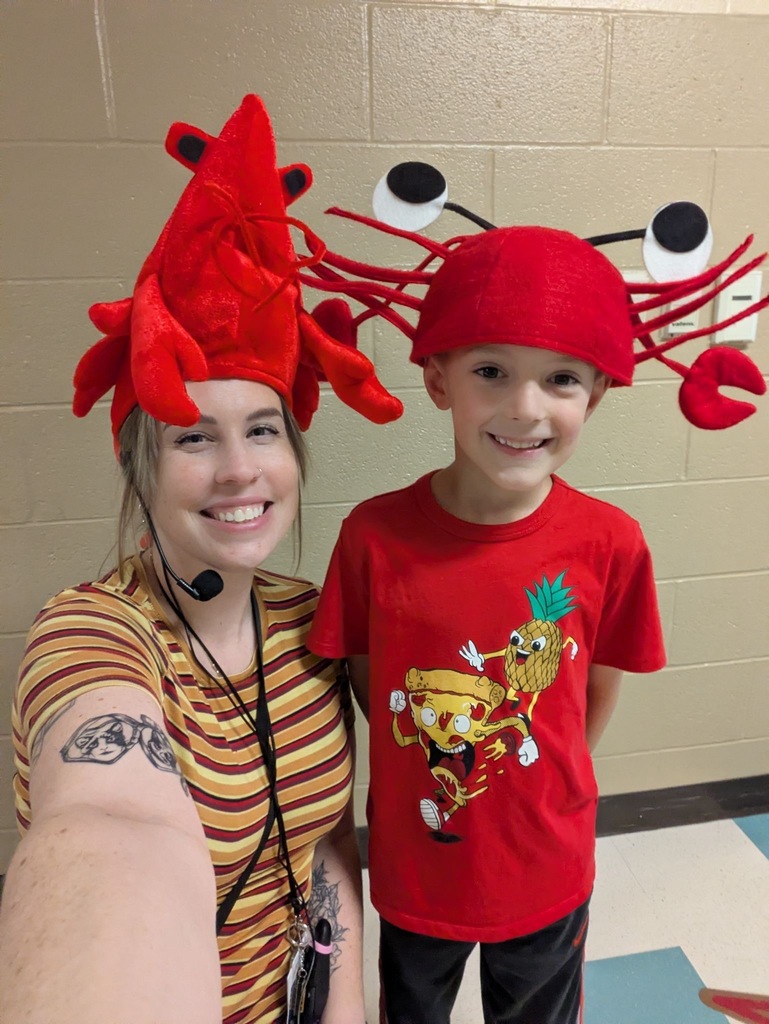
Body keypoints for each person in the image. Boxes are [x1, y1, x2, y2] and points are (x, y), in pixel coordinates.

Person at [305, 204, 768, 1023]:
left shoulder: (610, 543)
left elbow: (590, 692)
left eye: (560, 377)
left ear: (597, 392)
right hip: (419, 861)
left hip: (545, 861)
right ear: (437, 378)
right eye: (490, 371)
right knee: (410, 1011)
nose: (524, 408)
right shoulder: (373, 537)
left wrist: (535, 773)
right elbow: (373, 687)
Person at [0, 95, 401, 1024]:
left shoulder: (314, 617)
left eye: (262, 430)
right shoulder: (91, 631)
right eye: (191, 438)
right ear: (139, 468)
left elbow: (325, 844)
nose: (237, 471)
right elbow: (112, 824)